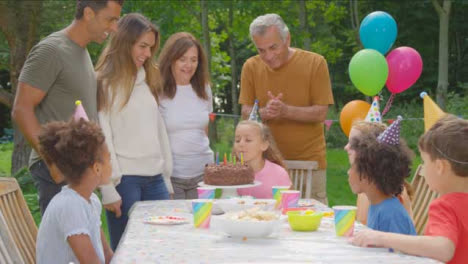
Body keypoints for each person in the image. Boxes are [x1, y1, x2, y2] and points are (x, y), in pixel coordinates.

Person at [11, 0, 123, 215]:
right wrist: (53, 163)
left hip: (79, 170)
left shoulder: (81, 52)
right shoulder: (51, 50)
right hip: (57, 170)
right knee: (62, 247)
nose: (114, 28)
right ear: (89, 13)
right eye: (110, 19)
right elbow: (21, 108)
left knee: (82, 242)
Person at [96, 13, 173, 250]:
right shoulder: (102, 82)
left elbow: (159, 131)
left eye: (150, 48)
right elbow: (102, 136)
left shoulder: (148, 79)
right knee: (127, 251)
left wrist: (166, 178)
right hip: (124, 182)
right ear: (124, 42)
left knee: (161, 248)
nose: (148, 54)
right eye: (142, 46)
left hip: (156, 181)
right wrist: (108, 188)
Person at [238, 13, 334, 205]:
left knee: (312, 222)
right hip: (264, 164)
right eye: (261, 50)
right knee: (263, 218)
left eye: (273, 47)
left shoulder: (315, 63)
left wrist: (285, 111)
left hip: (309, 162)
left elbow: (321, 112)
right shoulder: (250, 67)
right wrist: (265, 113)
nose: (268, 56)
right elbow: (246, 111)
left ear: (287, 38)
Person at [351, 115, 468, 263]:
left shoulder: (445, 206)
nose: (423, 169)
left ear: (440, 167)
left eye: (425, 162)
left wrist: (381, 237)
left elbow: (443, 249)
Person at [36, 119, 113, 264]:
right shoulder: (70, 206)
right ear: (97, 168)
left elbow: (107, 254)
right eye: (109, 158)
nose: (112, 163)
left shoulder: (91, 200)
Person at [158, 32, 214, 199]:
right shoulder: (158, 92)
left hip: (204, 175)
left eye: (193, 59)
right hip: (172, 177)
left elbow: (204, 130)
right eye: (183, 59)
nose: (189, 65)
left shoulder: (204, 89)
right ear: (171, 60)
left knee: (203, 223)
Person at [346, 119, 416, 235]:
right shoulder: (377, 205)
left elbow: (399, 251)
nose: (348, 172)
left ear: (368, 174)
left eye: (352, 167)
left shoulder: (391, 213)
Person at [234, 120, 291, 198]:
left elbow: (287, 203)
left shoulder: (279, 174)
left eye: (248, 140)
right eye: (237, 140)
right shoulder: (231, 173)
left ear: (264, 145)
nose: (241, 144)